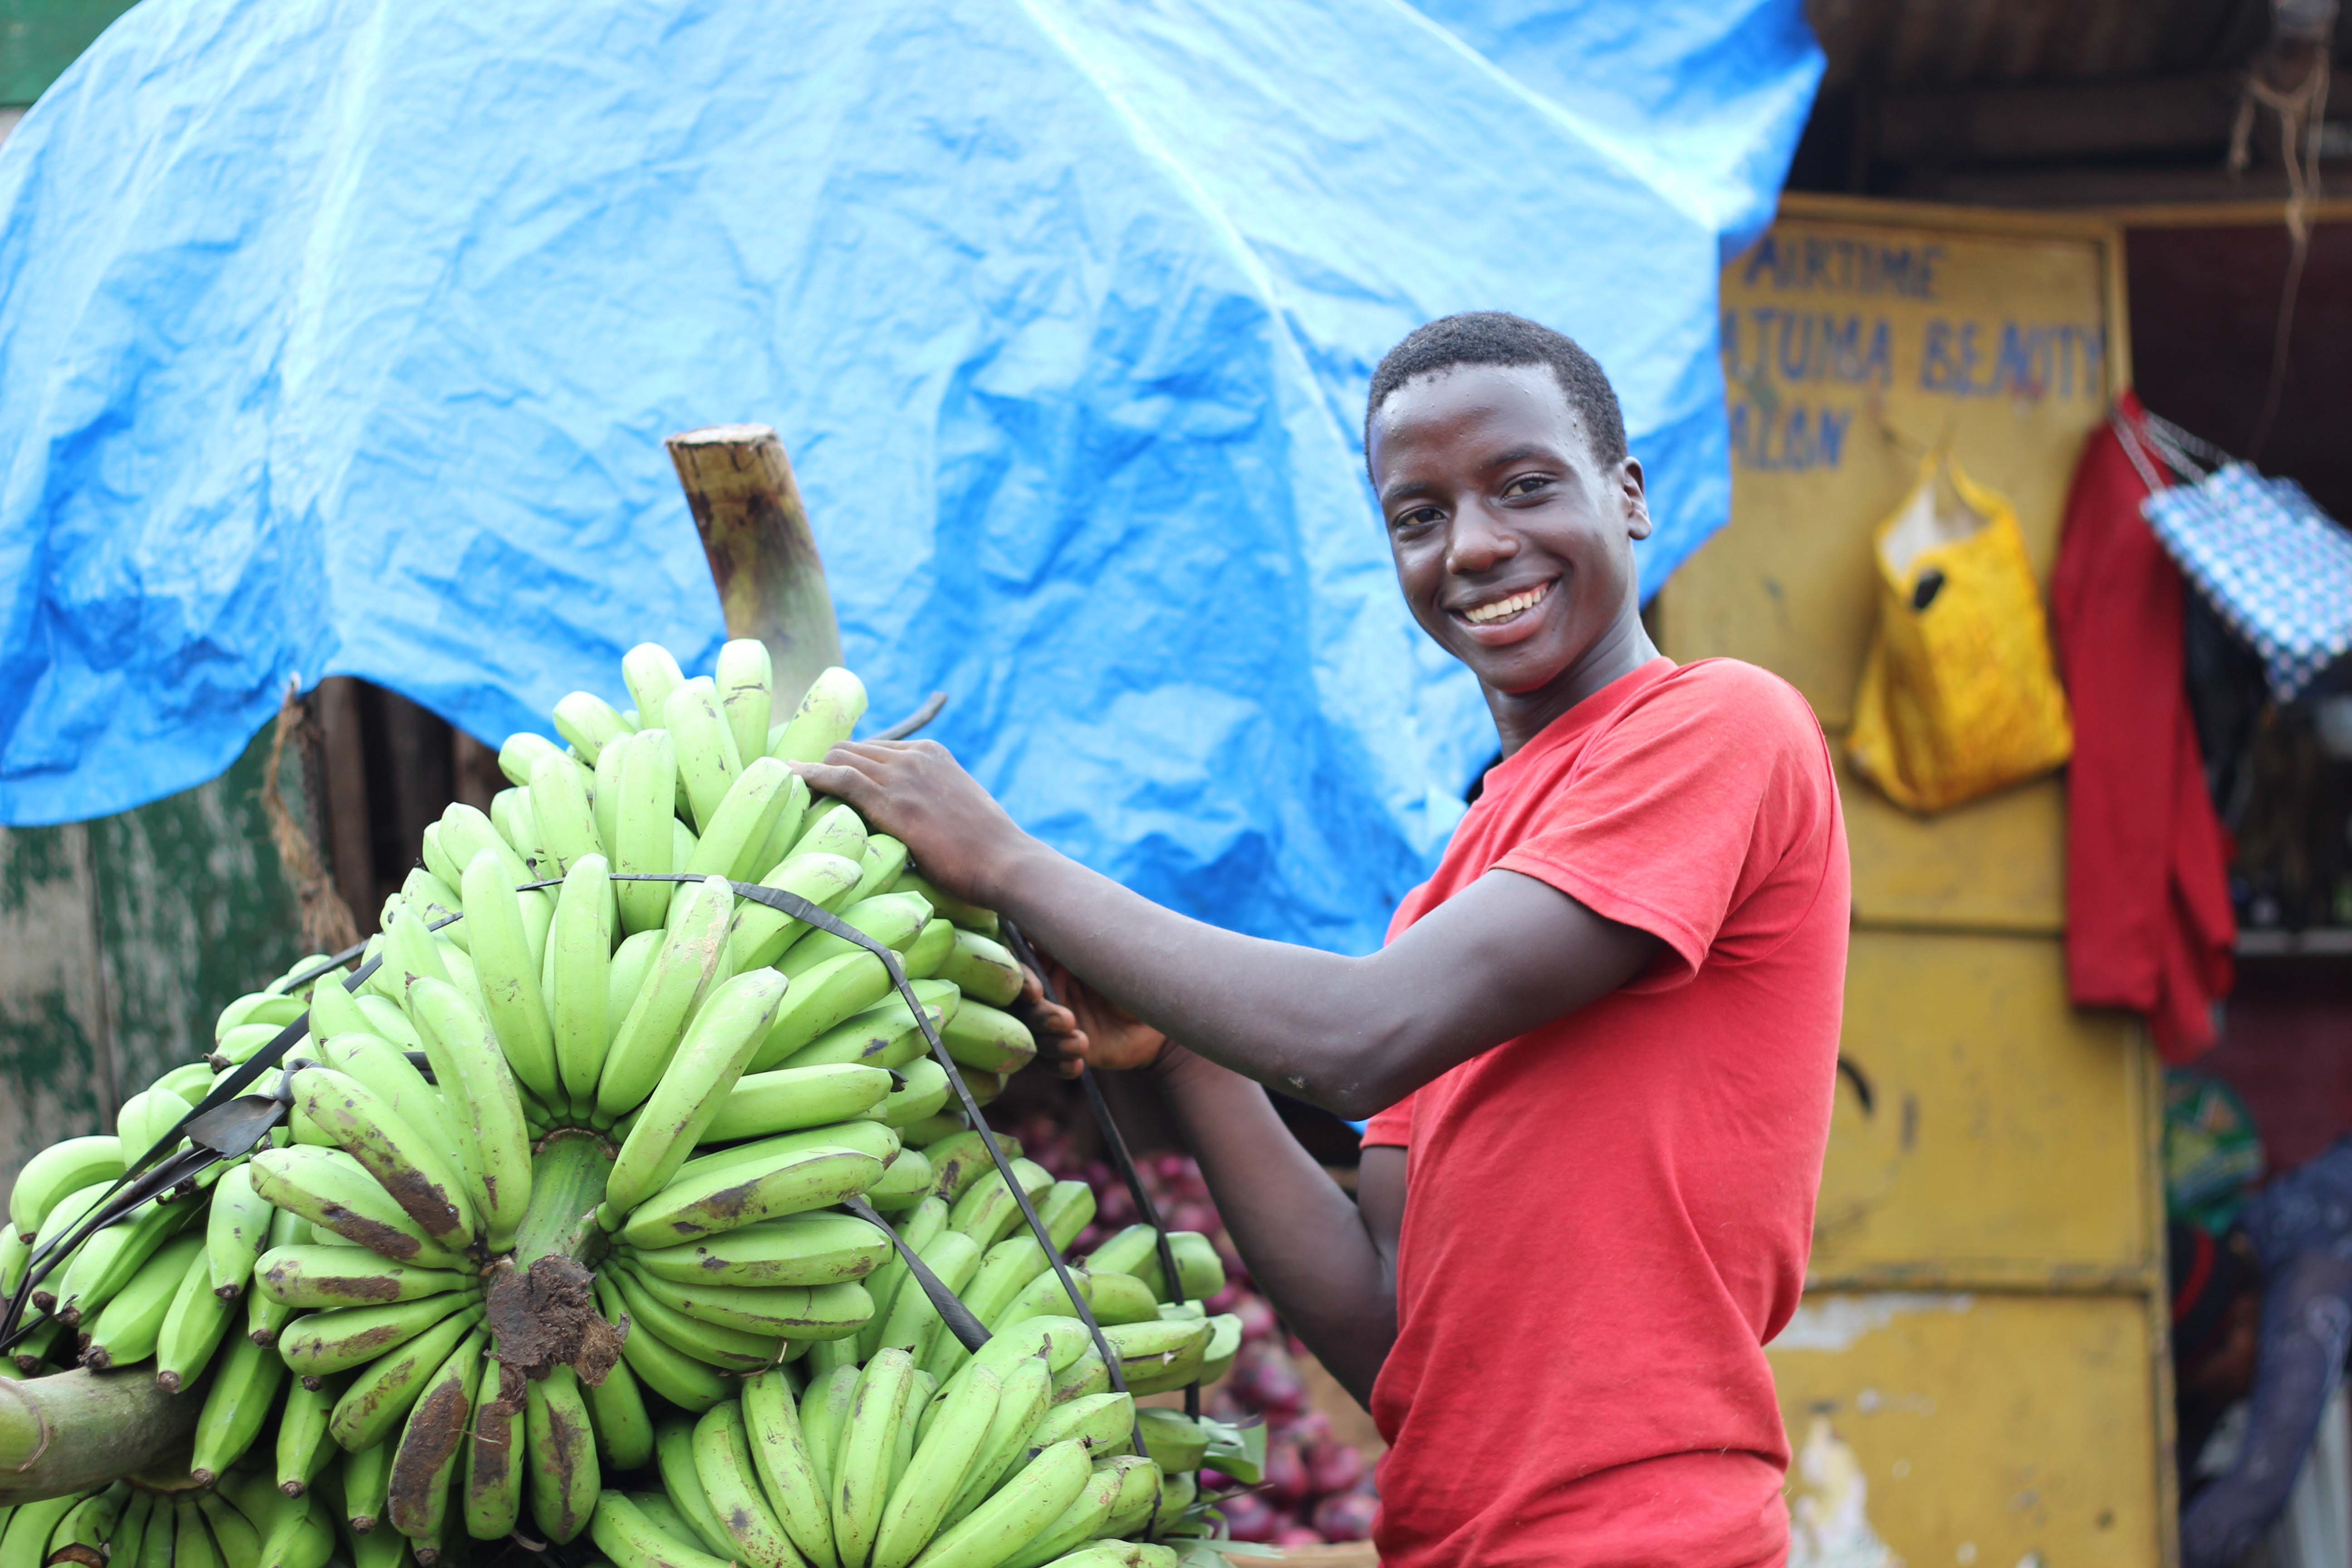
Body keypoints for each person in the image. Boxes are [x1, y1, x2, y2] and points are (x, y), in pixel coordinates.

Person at [800, 312, 1851, 1567]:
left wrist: (1009, 859)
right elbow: (1392, 1333)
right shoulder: (1461, 889)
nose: (1475, 546)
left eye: (1525, 486)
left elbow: (1362, 1039)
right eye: (1419, 515)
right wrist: (1187, 1059)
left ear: (1627, 496)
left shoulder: (1719, 728)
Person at [2171, 1138, 2352, 1568]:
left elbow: (2261, 1485)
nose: (2217, 1399)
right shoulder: (2245, 1241)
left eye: (2207, 1382)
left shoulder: (2307, 1291)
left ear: (2240, 1321)